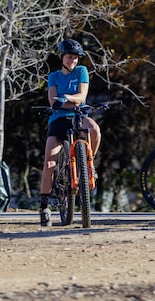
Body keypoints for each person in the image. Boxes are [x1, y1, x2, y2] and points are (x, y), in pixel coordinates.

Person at [39, 38, 102, 227]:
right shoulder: (54, 76)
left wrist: (66, 98)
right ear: (62, 57)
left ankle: (89, 166)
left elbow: (82, 97)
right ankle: (44, 207)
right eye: (69, 58)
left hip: (78, 114)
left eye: (75, 58)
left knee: (94, 130)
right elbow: (52, 102)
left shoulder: (82, 71)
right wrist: (66, 101)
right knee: (49, 162)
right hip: (57, 118)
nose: (72, 61)